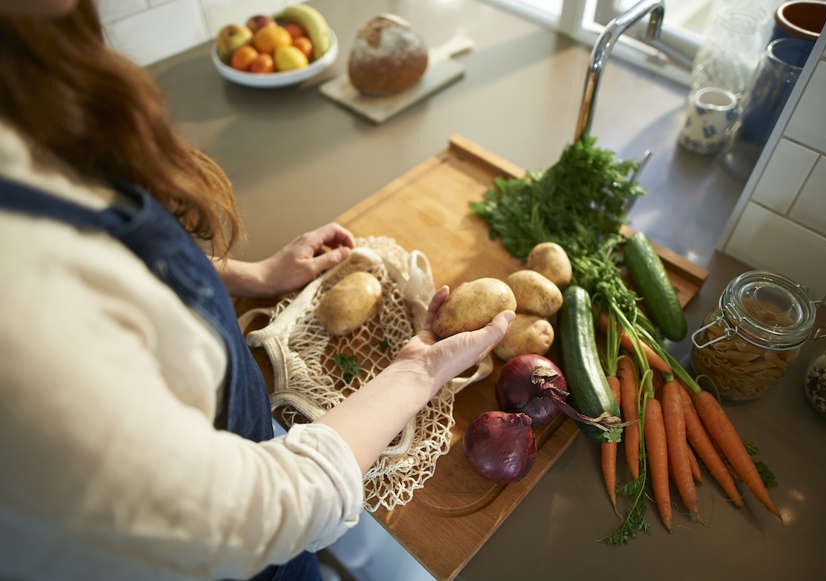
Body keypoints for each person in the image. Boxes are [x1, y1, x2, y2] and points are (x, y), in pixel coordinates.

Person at [0, 1, 514, 579]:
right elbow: (264, 511)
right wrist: (418, 371)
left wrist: (251, 276)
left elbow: (107, 257)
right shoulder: (22, 319)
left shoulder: (32, 71)